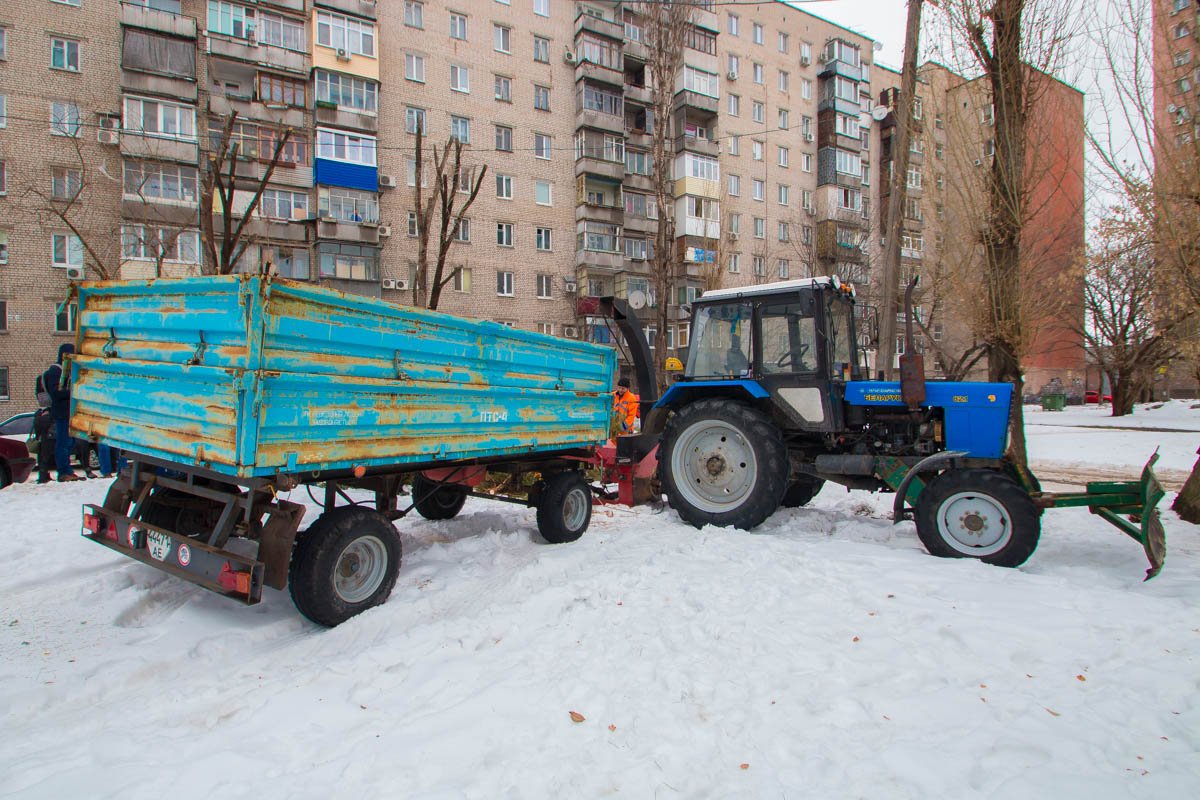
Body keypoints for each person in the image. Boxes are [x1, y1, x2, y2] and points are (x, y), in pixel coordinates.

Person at [43, 342, 83, 482]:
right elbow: (56, 392)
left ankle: (68, 470)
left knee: (69, 443)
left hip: (69, 412)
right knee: (63, 443)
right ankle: (63, 471)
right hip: (62, 413)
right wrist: (73, 391)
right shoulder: (56, 370)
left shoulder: (66, 370)